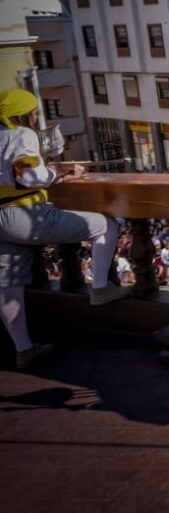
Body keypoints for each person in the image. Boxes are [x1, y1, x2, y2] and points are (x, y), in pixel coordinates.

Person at [0, 88, 133, 368]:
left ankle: (23, 348)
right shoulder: (21, 135)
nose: (36, 116)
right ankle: (100, 288)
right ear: (22, 114)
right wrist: (59, 172)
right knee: (106, 226)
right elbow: (29, 176)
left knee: (9, 287)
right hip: (24, 214)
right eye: (33, 111)